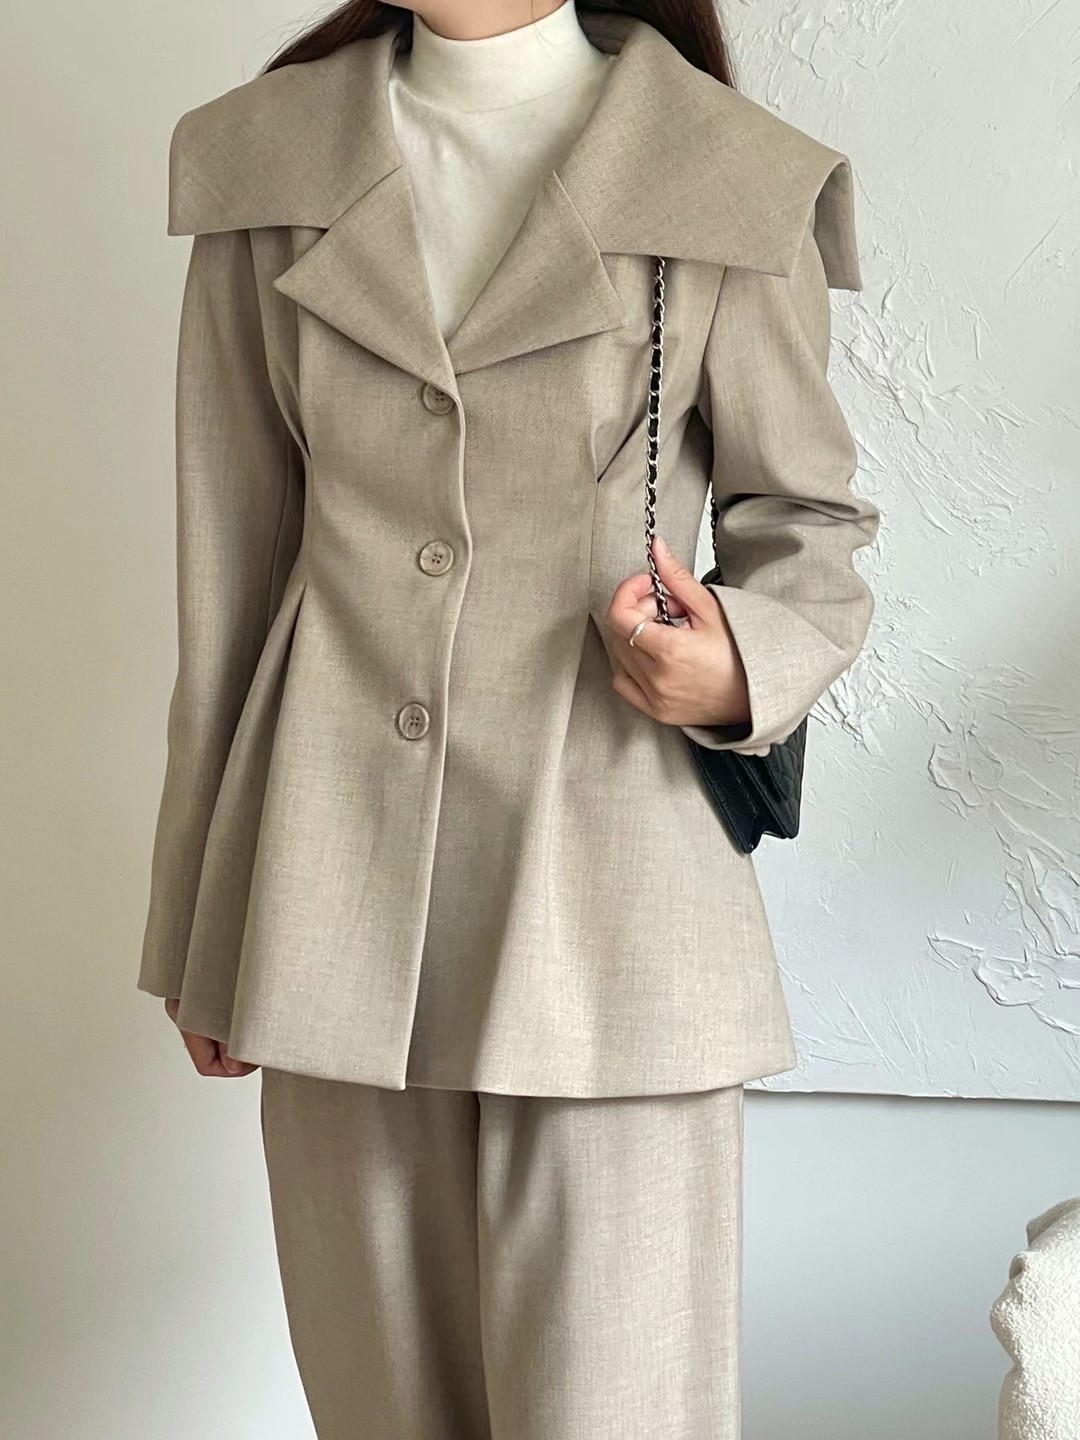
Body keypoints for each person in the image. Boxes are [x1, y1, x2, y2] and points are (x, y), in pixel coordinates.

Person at [139, 2, 880, 1435]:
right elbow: (229, 564)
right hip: (328, 897)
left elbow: (809, 522)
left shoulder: (721, 175)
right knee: (380, 1410)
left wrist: (738, 666)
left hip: (610, 900)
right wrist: (199, 924)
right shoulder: (270, 160)